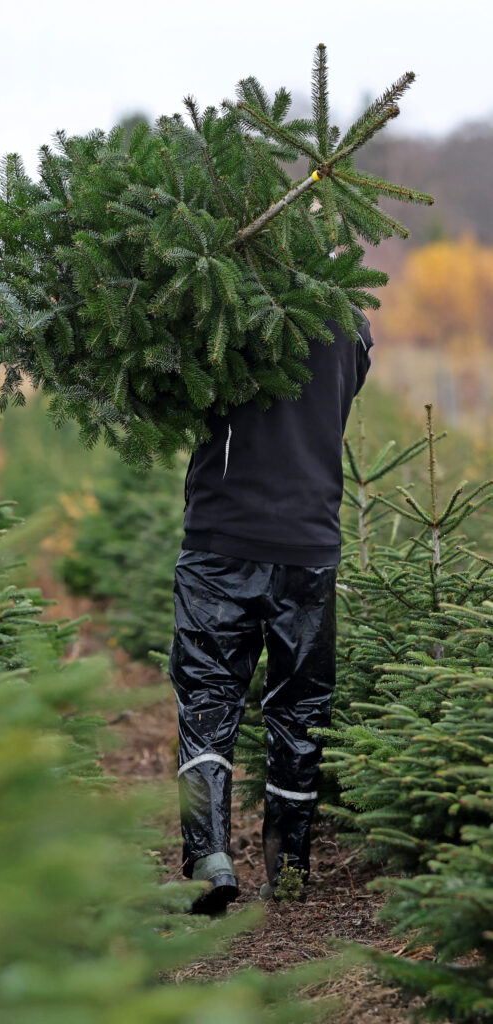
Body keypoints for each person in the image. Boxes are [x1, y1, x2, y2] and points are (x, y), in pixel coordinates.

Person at [168, 306, 374, 915]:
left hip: (220, 538)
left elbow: (171, 387)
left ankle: (209, 858)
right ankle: (290, 866)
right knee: (301, 706)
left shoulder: (216, 300)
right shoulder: (350, 319)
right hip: (309, 544)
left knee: (207, 695)